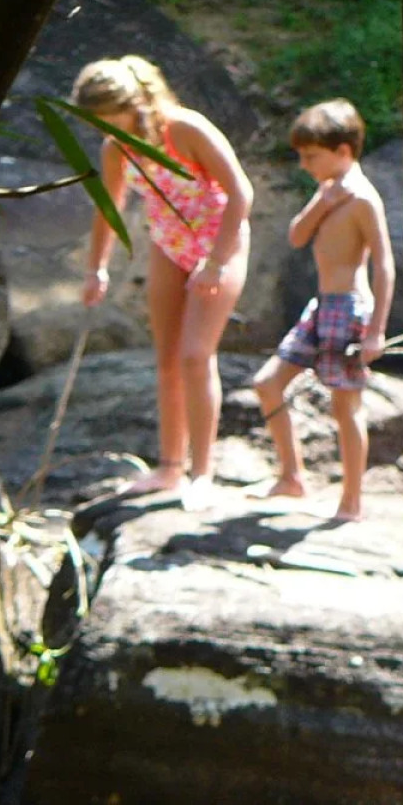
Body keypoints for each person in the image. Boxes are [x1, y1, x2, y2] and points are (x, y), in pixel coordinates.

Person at [73, 55, 254, 506]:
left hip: (218, 241)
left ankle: (203, 473)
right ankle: (170, 469)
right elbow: (108, 208)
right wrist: (98, 268)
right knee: (168, 360)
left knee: (196, 355)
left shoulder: (185, 129)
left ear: (130, 102)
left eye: (103, 117)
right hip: (168, 243)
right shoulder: (117, 147)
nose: (100, 128)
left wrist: (215, 263)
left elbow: (241, 192)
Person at [252, 99, 394, 521]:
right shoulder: (329, 192)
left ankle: (351, 503)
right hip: (321, 306)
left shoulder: (364, 199)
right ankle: (291, 477)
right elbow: (297, 236)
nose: (304, 164)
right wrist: (323, 202)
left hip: (350, 308)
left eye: (311, 156)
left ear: (343, 152)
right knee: (267, 383)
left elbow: (384, 263)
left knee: (345, 406)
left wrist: (376, 331)